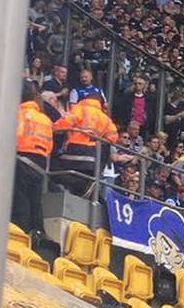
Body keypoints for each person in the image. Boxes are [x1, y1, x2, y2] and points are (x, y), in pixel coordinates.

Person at [51, 93, 118, 197]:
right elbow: (113, 138)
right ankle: (87, 189)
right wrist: (96, 138)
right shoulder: (105, 118)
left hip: (73, 153)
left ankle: (83, 187)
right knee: (83, 186)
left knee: (53, 170)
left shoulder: (79, 109)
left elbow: (62, 124)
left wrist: (53, 127)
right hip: (93, 157)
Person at [14, 80, 53, 234]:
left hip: (22, 159)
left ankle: (21, 235)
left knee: (21, 199)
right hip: (40, 163)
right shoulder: (45, 119)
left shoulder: (20, 114)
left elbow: (15, 137)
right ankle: (38, 234)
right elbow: (50, 146)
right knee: (35, 201)